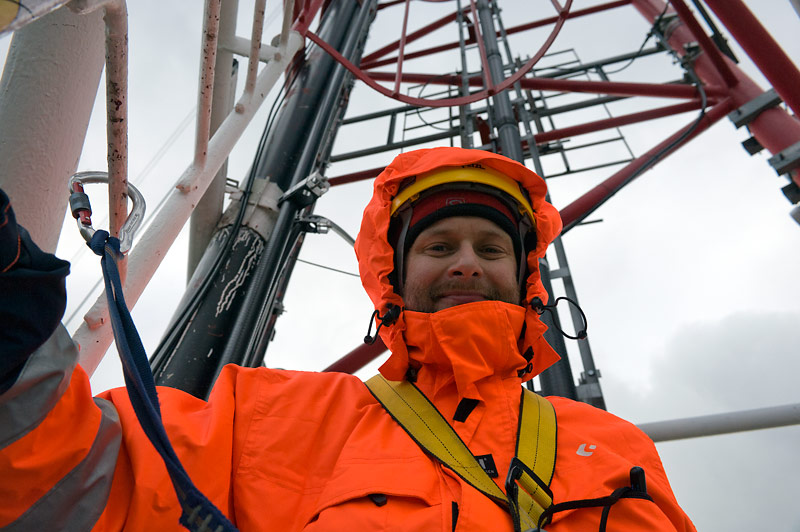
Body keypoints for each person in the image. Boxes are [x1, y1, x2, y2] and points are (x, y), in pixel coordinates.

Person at [0, 147, 695, 531]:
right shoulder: (272, 420)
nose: (466, 263)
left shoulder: (614, 446)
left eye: (491, 248)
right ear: (393, 274)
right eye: (439, 246)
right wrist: (13, 344)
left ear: (525, 278)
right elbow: (84, 484)